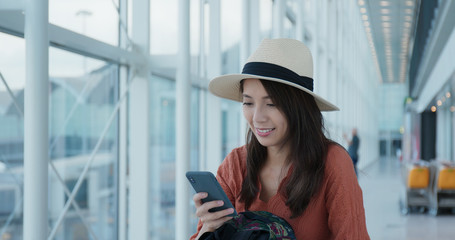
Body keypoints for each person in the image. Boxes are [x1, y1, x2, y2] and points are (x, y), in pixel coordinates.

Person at [190, 38, 369, 239]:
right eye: (248, 103)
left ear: (299, 107)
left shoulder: (332, 163)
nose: (257, 117)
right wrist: (208, 229)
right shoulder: (236, 165)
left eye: (272, 103)